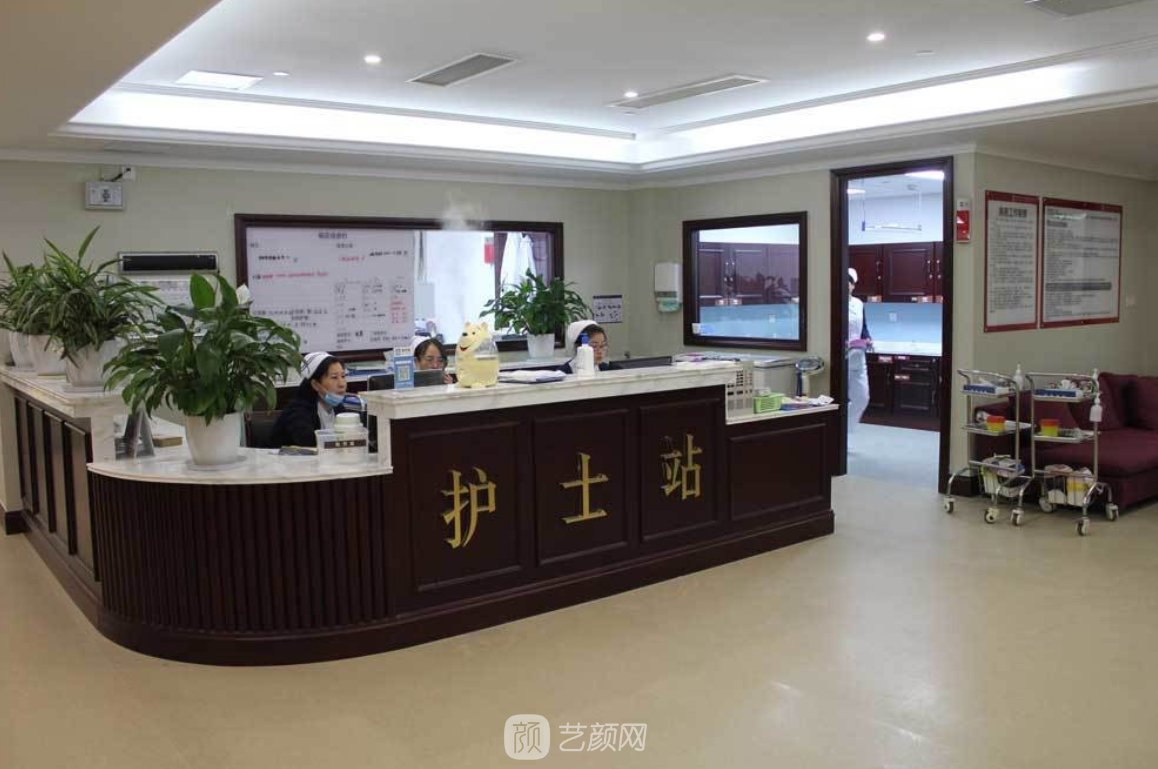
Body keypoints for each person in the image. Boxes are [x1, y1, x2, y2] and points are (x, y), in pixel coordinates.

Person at [270, 351, 355, 447]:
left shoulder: (339, 408)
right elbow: (309, 444)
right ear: (315, 384)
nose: (342, 384)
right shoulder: (298, 412)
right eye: (334, 377)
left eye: (343, 376)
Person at [847, 268, 873, 431]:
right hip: (841, 357)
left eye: (849, 283)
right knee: (838, 400)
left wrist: (868, 338)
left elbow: (863, 327)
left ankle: (846, 429)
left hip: (858, 356)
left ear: (853, 286)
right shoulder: (833, 304)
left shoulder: (859, 304)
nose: (847, 286)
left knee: (862, 398)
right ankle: (841, 436)